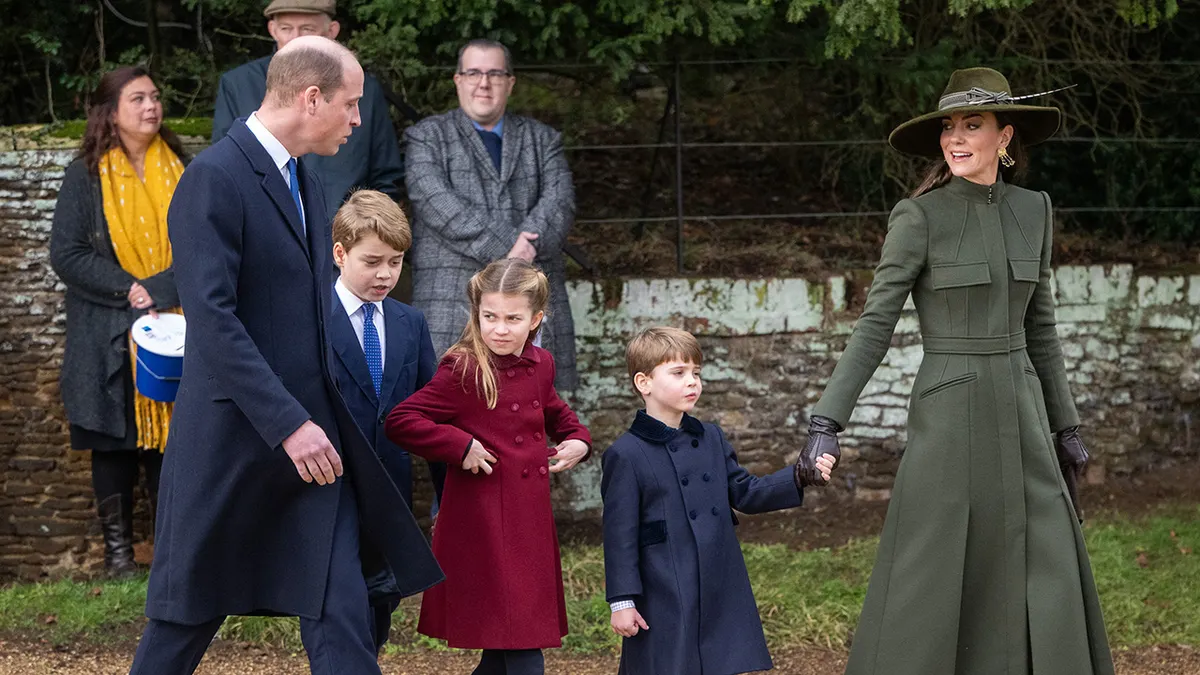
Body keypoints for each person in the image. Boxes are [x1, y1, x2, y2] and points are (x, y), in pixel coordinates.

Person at [128, 36, 441, 675]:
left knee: (340, 610)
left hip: (312, 452)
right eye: (351, 106)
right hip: (231, 444)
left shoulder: (304, 177)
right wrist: (287, 424)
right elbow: (213, 323)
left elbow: (305, 315)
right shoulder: (212, 178)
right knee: (185, 618)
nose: (358, 120)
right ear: (311, 97)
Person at [794, 67, 1114, 674]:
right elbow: (874, 325)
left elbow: (1041, 328)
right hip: (949, 414)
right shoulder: (918, 218)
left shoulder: (1035, 209)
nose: (956, 138)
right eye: (949, 127)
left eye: (973, 124)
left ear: (1006, 136)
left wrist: (1067, 429)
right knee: (933, 568)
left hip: (1023, 413)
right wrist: (826, 421)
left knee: (1042, 557)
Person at [385, 258, 591, 675]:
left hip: (529, 521)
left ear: (536, 319)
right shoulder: (463, 367)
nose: (499, 328)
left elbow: (556, 412)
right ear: (476, 314)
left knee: (503, 652)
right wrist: (460, 445)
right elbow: (401, 421)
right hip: (484, 526)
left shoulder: (542, 363)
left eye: (513, 318)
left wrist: (578, 440)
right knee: (522, 652)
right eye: (489, 317)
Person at [601, 326, 837, 675]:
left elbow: (745, 491)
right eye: (678, 373)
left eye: (696, 373)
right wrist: (621, 601)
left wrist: (799, 474)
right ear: (644, 383)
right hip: (664, 585)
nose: (692, 381)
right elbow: (619, 536)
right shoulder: (625, 453)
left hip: (717, 574)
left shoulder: (710, 437)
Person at [49, 66, 187, 577]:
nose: (152, 106)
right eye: (138, 99)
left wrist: (161, 288)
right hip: (104, 331)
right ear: (111, 112)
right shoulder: (83, 175)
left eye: (155, 96)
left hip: (174, 326)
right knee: (113, 442)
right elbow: (67, 253)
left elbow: (204, 244)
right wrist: (128, 287)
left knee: (168, 444)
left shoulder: (185, 169)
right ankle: (119, 558)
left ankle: (168, 553)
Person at [404, 39, 578, 392]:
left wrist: (528, 246)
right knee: (452, 420)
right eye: (473, 73)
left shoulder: (543, 139)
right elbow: (436, 203)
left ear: (510, 82)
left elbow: (560, 202)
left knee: (534, 414)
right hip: (451, 301)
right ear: (458, 80)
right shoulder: (426, 137)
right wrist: (513, 249)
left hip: (531, 303)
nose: (483, 83)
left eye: (495, 73)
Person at [327, 188, 446, 651]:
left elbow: (432, 412)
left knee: (380, 603)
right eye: (372, 261)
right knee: (338, 607)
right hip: (329, 490)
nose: (385, 274)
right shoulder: (310, 317)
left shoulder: (409, 323)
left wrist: (445, 498)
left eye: (395, 262)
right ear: (340, 253)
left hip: (391, 495)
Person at [211, 0, 404, 222]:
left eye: (307, 30)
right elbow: (227, 168)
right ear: (272, 30)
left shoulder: (363, 90)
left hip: (348, 241)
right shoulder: (239, 85)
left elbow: (386, 177)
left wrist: (364, 234)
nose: (296, 39)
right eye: (286, 28)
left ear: (332, 31)